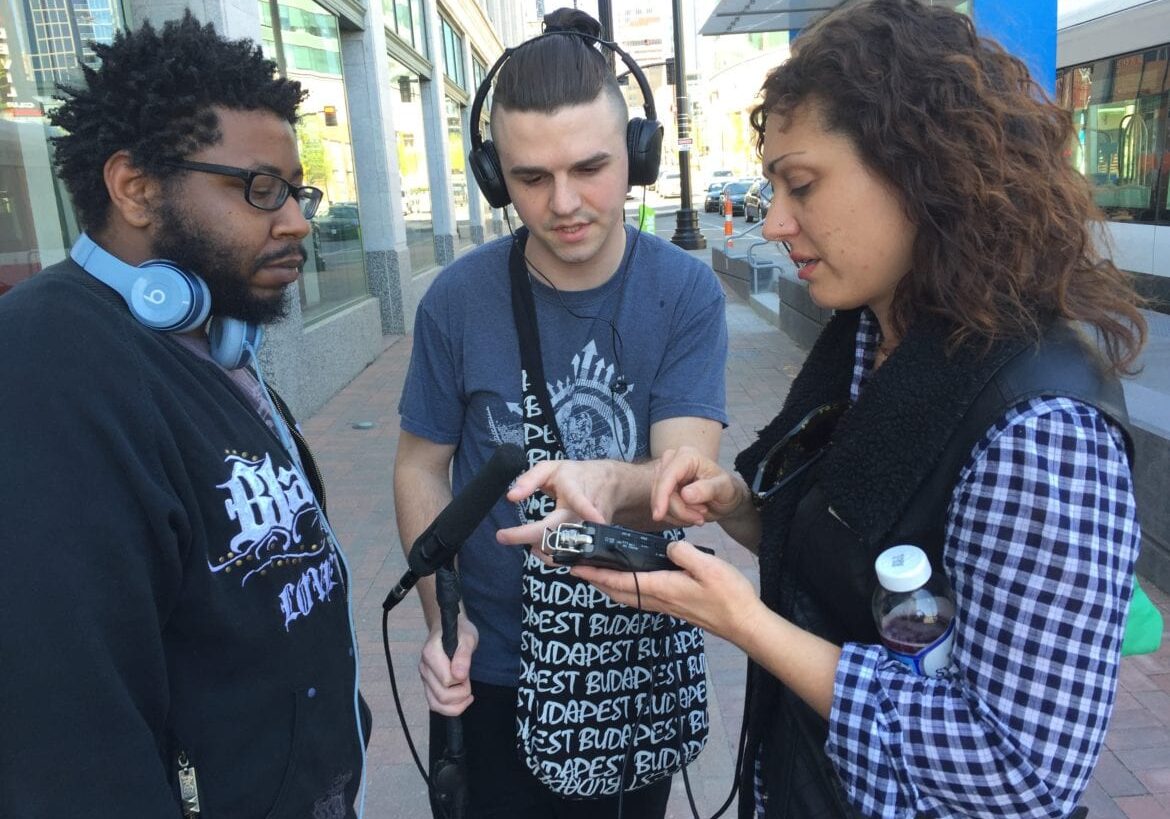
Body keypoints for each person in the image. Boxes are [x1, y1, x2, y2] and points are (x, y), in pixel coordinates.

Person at [501, 1, 1148, 817]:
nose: (772, 223)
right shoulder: (870, 335)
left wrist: (749, 624)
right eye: (772, 185)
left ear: (924, 168)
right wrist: (735, 504)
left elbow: (1018, 768)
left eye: (800, 184)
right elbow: (847, 546)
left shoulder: (1046, 429)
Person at [0, 14, 369, 817]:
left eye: (296, 190)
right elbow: (69, 741)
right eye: (259, 189)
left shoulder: (210, 341)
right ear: (134, 188)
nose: (298, 220)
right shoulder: (48, 365)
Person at [393, 8, 727, 818]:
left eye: (591, 167)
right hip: (489, 667)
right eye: (531, 178)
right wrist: (448, 620)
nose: (565, 203)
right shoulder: (456, 300)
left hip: (625, 666)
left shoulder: (685, 294)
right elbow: (418, 465)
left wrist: (606, 479)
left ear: (637, 158)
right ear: (492, 172)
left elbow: (686, 473)